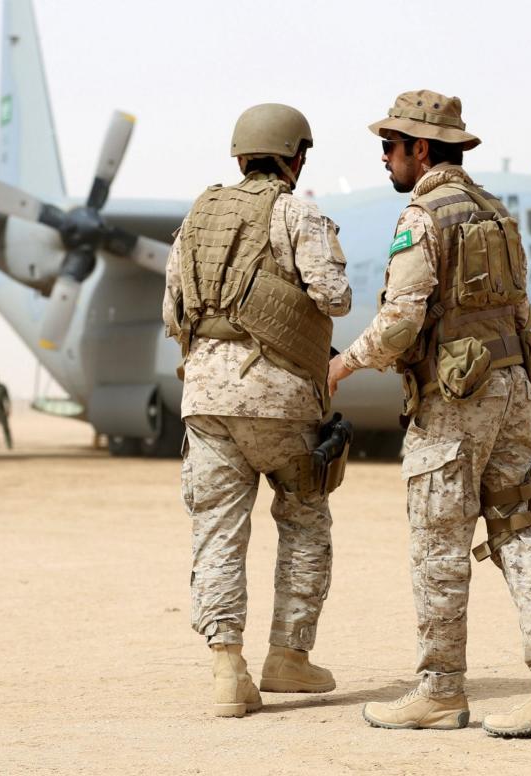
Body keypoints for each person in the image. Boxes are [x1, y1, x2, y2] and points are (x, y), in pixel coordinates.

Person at [327, 90, 531, 738]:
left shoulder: (423, 217)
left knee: (438, 547)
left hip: (454, 402)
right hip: (513, 390)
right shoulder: (497, 215)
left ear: (421, 149)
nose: (385, 158)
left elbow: (400, 321)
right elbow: (521, 314)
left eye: (390, 146)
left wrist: (342, 364)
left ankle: (440, 691)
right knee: (517, 529)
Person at [161, 103, 352, 718]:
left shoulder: (195, 217)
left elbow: (172, 312)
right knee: (303, 520)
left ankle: (227, 671)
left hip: (204, 400)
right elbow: (335, 296)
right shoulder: (297, 211)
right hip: (280, 400)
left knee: (217, 530)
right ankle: (288, 659)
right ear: (296, 157)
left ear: (240, 157)